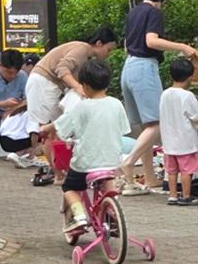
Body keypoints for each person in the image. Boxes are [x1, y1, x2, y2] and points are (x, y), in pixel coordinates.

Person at [119, 0, 196, 196]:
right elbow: (151, 41)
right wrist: (182, 47)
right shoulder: (153, 12)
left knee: (146, 126)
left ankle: (150, 178)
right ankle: (129, 162)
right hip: (144, 67)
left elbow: (127, 45)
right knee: (156, 123)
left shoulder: (133, 12)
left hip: (128, 67)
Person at [41, 59, 131, 235]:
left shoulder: (82, 107)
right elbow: (123, 129)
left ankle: (80, 215)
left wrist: (45, 129)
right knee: (107, 182)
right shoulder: (116, 104)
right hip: (111, 161)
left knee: (70, 188)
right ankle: (112, 213)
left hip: (86, 163)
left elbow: (61, 125)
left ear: (86, 85)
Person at [28, 27, 119, 181]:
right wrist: (78, 88)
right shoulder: (82, 49)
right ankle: (57, 173)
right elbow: (61, 69)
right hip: (43, 83)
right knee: (49, 130)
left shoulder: (87, 57)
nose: (108, 54)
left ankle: (59, 171)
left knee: (57, 129)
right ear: (98, 43)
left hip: (52, 86)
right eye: (108, 49)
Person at [159, 57, 198, 206]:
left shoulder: (165, 94)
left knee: (171, 171)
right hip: (185, 141)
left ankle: (172, 195)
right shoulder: (188, 96)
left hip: (168, 141)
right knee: (186, 170)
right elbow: (196, 116)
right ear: (190, 77)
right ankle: (186, 195)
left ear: (171, 75)